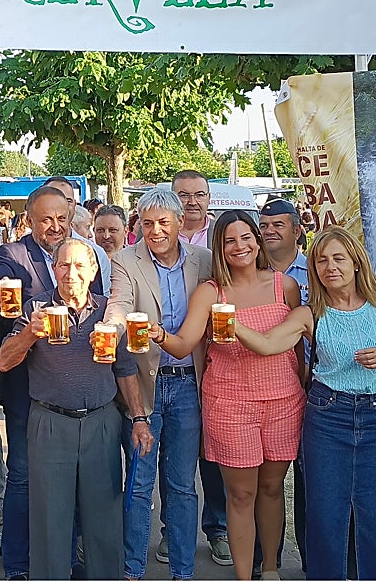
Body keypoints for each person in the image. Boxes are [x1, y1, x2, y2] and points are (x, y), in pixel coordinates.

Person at [225, 225, 376, 580]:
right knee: (326, 514)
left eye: (338, 258)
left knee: (375, 513)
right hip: (329, 416)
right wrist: (230, 321)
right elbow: (268, 344)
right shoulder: (310, 313)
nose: (331, 267)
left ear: (356, 262)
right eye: (322, 261)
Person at [144, 210, 302, 580]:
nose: (239, 246)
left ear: (257, 241)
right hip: (230, 404)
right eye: (230, 240)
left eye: (246, 237)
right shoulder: (210, 292)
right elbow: (184, 345)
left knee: (271, 488)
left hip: (283, 401)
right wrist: (159, 334)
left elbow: (297, 347)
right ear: (219, 248)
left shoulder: (285, 286)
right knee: (241, 494)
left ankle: (271, 568)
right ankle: (244, 575)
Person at [0, 238, 153, 580]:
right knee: (49, 518)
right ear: (54, 270)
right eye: (64, 265)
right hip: (50, 421)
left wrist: (140, 418)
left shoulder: (108, 312)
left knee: (104, 516)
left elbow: (125, 369)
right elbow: (4, 361)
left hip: (101, 421)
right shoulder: (36, 308)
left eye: (80, 265)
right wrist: (30, 334)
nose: (72, 273)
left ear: (94, 270)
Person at [101, 187, 212, 581]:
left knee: (181, 485)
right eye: (148, 223)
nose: (156, 231)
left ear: (180, 222)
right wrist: (111, 328)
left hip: (188, 386)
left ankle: (183, 572)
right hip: (144, 385)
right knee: (139, 481)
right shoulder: (126, 260)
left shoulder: (203, 260)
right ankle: (133, 570)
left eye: (164, 222)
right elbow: (119, 303)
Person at [0, 185, 80, 580]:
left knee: (71, 480)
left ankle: (67, 558)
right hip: (27, 389)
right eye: (46, 219)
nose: (55, 226)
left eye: (61, 218)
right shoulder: (13, 254)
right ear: (29, 221)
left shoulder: (81, 253)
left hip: (71, 390)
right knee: (21, 476)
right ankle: (17, 565)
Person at [172, 170, 230, 563]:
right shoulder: (159, 236)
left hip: (214, 358)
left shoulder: (222, 239)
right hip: (171, 358)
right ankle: (172, 532)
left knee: (214, 451)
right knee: (176, 458)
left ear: (209, 198)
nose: (192, 202)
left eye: (199, 194)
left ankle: (219, 527)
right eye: (184, 195)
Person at [257, 198, 309, 572]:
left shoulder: (317, 267)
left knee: (309, 481)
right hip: (263, 387)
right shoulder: (248, 270)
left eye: (278, 224)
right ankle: (265, 560)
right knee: (265, 483)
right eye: (264, 225)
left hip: (313, 383)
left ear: (296, 229)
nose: (270, 231)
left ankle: (312, 561)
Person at [43, 176, 112, 294]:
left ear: (75, 205)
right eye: (54, 199)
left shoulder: (96, 253)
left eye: (68, 201)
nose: (61, 206)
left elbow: (104, 298)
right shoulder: (18, 254)